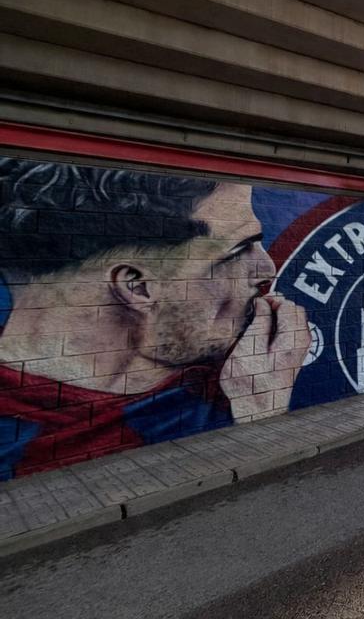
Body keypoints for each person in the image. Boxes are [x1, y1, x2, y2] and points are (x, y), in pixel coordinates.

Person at [0, 159, 310, 479]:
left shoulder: (230, 375)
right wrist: (259, 415)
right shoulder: (20, 442)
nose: (267, 269)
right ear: (138, 286)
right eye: (238, 251)